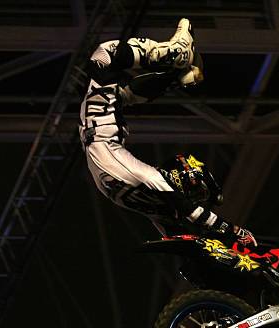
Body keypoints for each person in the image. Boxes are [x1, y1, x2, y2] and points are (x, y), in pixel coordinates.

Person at [79, 18, 256, 247]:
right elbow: (176, 237)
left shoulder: (158, 185)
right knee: (121, 94)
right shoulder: (161, 210)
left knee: (104, 55)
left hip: (103, 143)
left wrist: (232, 231)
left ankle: (176, 54)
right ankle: (178, 76)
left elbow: (186, 207)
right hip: (104, 160)